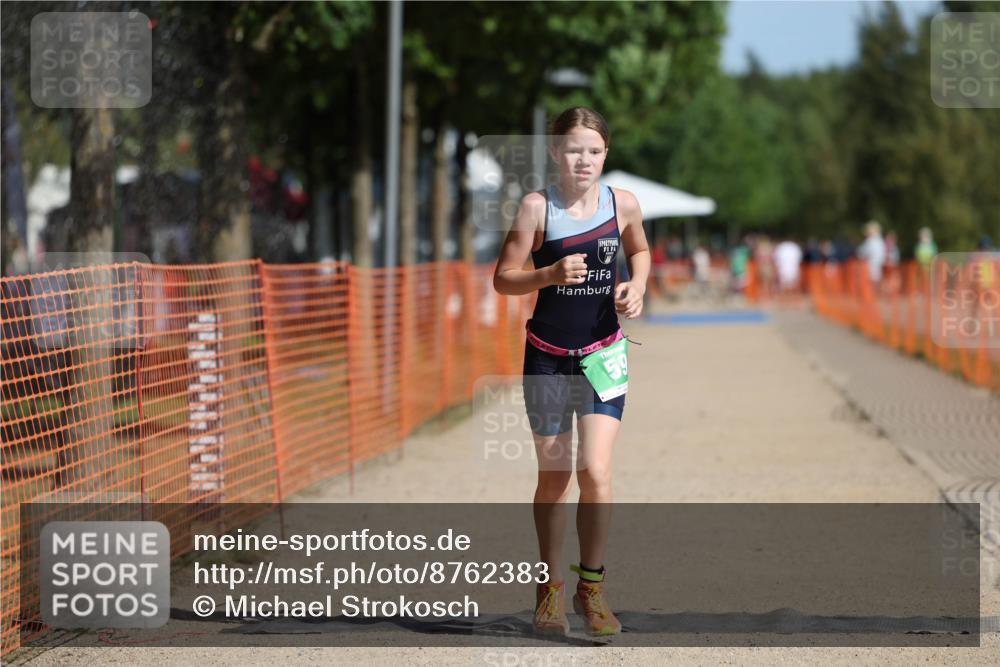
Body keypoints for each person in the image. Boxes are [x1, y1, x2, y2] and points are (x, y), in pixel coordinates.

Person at [492, 106, 650, 637]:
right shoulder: (537, 208)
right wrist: (549, 274)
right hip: (548, 356)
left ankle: (592, 588)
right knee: (556, 478)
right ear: (556, 153)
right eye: (574, 149)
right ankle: (549, 590)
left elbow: (641, 250)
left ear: (606, 154)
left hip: (604, 354)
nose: (584, 159)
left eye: (595, 150)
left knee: (597, 473)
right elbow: (503, 279)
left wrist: (638, 285)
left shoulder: (621, 204)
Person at [857, 220, 887, 286]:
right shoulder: (880, 240)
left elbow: (861, 253)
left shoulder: (870, 241)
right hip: (878, 264)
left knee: (870, 284)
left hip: (869, 265)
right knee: (876, 282)